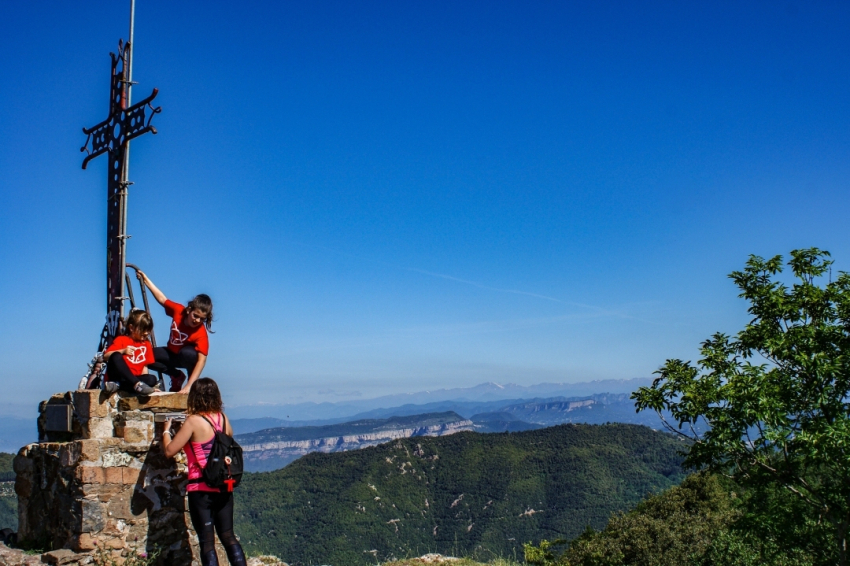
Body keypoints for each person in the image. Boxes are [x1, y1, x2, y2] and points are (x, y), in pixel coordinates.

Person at [162, 378, 247, 566]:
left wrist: (166, 431)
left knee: (207, 543)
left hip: (200, 488)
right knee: (228, 537)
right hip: (224, 486)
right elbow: (227, 440)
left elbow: (170, 451)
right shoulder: (223, 419)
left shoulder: (193, 422)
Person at [136, 270, 213, 394]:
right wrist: (145, 280)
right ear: (189, 310)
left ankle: (190, 385)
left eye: (202, 319)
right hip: (171, 353)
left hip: (185, 358)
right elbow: (162, 299)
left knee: (189, 353)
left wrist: (189, 386)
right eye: (195, 315)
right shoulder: (179, 311)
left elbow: (201, 361)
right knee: (144, 355)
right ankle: (176, 376)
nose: (197, 320)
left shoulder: (201, 333)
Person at [103, 309, 157, 395]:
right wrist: (123, 351)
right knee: (116, 355)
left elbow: (144, 367)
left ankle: (119, 385)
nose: (146, 333)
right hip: (117, 376)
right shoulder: (121, 339)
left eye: (148, 330)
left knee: (152, 379)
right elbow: (106, 356)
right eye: (143, 329)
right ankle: (134, 384)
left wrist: (146, 386)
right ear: (131, 328)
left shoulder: (147, 344)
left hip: (133, 378)